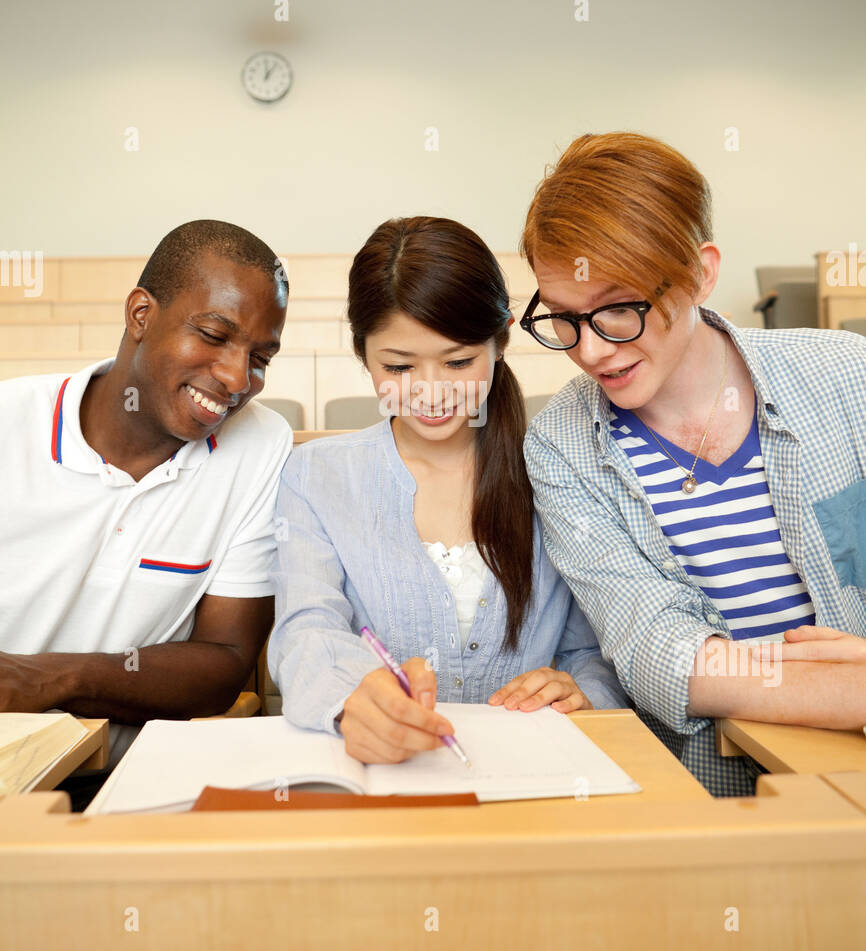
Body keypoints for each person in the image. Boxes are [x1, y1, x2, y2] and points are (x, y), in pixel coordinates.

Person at [519, 131, 866, 796]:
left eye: (618, 310)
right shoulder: (562, 444)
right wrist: (852, 689)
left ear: (702, 273)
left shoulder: (845, 378)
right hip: (710, 797)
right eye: (564, 318)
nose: (590, 351)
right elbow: (658, 652)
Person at [268, 216, 628, 764]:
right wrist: (351, 702)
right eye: (399, 366)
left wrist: (584, 689)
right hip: (380, 776)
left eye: (458, 362)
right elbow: (308, 629)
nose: (431, 392)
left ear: (501, 340)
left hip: (534, 776)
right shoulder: (316, 477)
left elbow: (591, 648)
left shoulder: (557, 470)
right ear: (363, 354)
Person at [0, 219, 292, 787]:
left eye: (261, 356)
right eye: (213, 335)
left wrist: (53, 679)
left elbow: (224, 662)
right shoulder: (8, 423)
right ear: (140, 315)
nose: (237, 378)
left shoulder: (259, 445)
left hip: (127, 779)